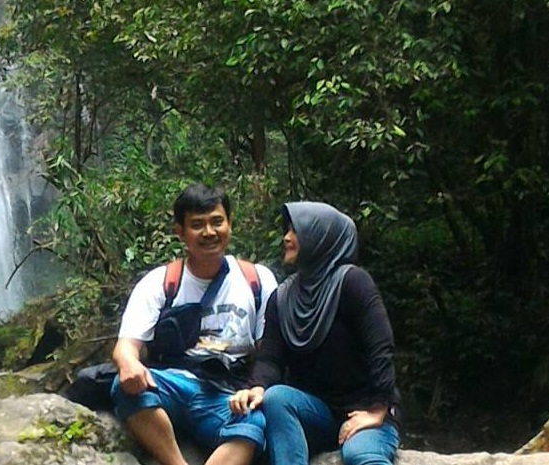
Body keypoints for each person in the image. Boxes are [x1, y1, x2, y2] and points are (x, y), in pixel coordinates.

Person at [111, 183, 279, 465]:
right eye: (197, 225)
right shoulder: (160, 282)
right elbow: (125, 346)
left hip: (228, 393)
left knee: (253, 424)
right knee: (125, 387)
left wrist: (254, 388)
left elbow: (269, 351)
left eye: (217, 222)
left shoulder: (257, 279)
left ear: (230, 223)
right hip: (174, 384)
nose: (209, 233)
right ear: (180, 232)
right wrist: (129, 364)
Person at [229, 201, 401, 465]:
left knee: (360, 454)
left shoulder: (353, 282)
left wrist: (377, 409)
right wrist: (257, 387)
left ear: (321, 237)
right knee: (276, 398)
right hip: (316, 413)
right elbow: (270, 359)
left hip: (365, 407)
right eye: (286, 231)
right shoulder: (282, 298)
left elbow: (381, 348)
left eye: (296, 231)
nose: (286, 238)